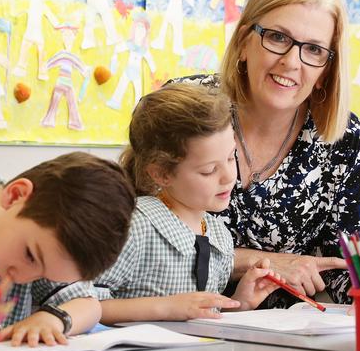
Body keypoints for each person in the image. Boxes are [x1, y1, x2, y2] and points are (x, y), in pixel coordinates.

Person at [170, 0, 360, 306]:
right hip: (173, 321)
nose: (291, 62)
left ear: (327, 70)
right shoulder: (184, 108)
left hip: (282, 337)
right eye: (277, 37)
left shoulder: (344, 138)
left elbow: (342, 263)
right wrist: (265, 262)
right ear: (244, 42)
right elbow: (141, 236)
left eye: (314, 50)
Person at [94, 84, 280, 324]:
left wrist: (239, 303)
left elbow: (199, 316)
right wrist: (165, 308)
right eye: (209, 170)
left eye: (230, 157)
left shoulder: (219, 236)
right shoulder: (134, 227)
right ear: (161, 174)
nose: (228, 177)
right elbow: (81, 303)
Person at [0, 152, 135, 345]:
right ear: (15, 195)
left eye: (43, 276)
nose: (21, 278)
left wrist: (52, 319)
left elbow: (90, 306)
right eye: (30, 256)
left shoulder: (44, 240)